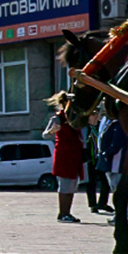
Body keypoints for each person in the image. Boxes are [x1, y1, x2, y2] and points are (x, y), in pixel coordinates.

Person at [45, 93, 85, 223]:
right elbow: (45, 135)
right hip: (63, 155)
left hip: (74, 155)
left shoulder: (75, 117)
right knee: (64, 186)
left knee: (72, 185)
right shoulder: (57, 118)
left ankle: (67, 213)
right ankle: (62, 214)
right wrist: (52, 131)